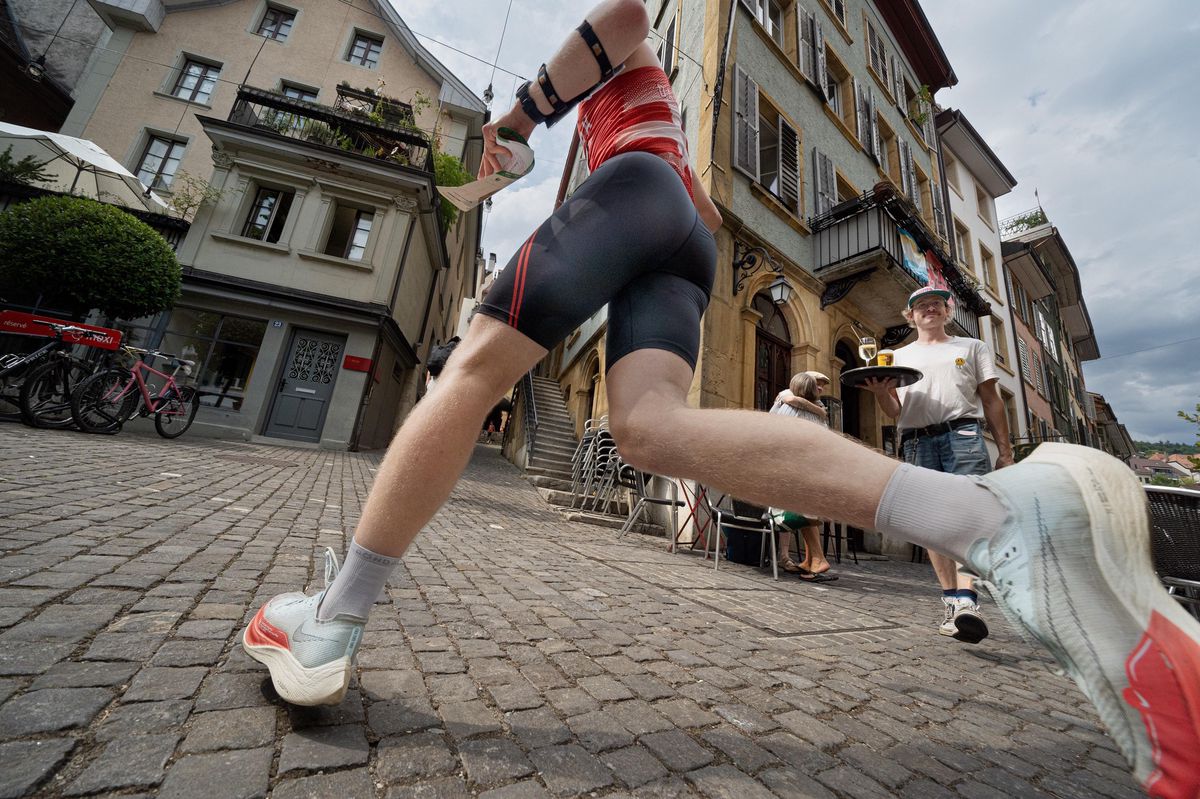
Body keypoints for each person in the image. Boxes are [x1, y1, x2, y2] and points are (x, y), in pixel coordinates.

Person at [241, 3, 1199, 794]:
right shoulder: (654, 112)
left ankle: (334, 614)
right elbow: (694, 206)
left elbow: (618, 19)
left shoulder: (619, 57)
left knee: (472, 368)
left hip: (639, 191)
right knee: (651, 428)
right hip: (685, 226)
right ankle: (997, 518)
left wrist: (524, 117)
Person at [864, 286, 1012, 644]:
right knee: (931, 525)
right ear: (910, 316)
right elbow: (895, 412)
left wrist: (1005, 450)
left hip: (962, 434)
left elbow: (991, 400)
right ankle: (953, 602)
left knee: (969, 518)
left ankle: (968, 603)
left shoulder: (971, 347)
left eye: (936, 304)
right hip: (916, 439)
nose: (929, 308)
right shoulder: (897, 356)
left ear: (948, 311)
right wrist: (882, 393)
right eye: (920, 305)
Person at [769, 371, 834, 581]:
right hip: (812, 468)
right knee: (807, 513)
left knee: (803, 512)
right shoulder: (818, 412)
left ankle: (818, 560)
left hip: (792, 466)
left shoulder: (786, 403)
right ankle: (810, 560)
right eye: (818, 385)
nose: (821, 388)